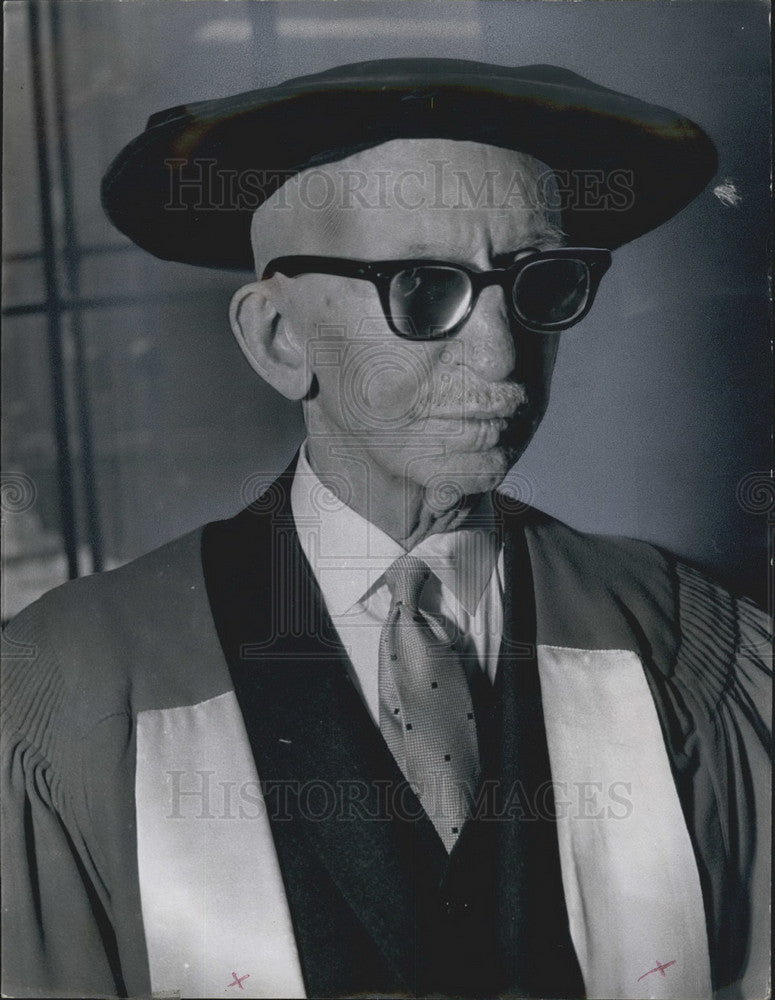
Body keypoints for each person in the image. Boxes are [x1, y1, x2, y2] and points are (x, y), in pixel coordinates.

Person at [1, 58, 770, 1000]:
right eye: (421, 287)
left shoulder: (688, 643)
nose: (501, 357)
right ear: (279, 340)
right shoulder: (74, 683)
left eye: (540, 282)